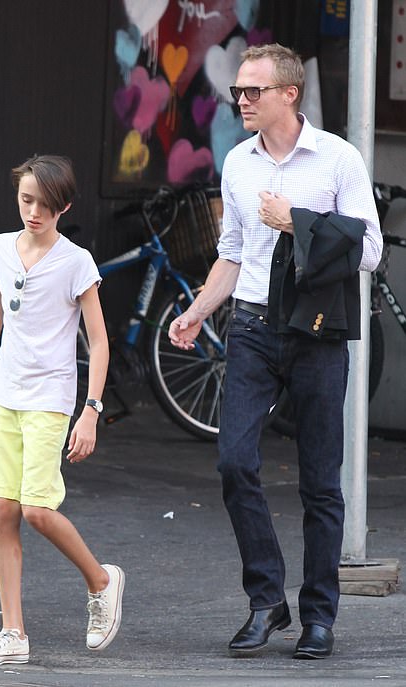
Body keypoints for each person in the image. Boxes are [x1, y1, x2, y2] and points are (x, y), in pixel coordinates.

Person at [169, 44, 383, 660]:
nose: (241, 100)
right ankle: (267, 599)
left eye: (253, 91)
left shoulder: (338, 159)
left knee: (321, 481)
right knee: (234, 462)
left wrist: (300, 221)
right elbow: (232, 253)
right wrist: (196, 310)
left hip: (315, 331)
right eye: (238, 91)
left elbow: (368, 252)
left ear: (289, 94)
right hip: (254, 327)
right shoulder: (237, 163)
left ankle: (319, 615)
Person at [0, 154, 125, 666]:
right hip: (4, 394)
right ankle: (14, 635)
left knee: (37, 511)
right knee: (2, 509)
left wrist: (90, 411)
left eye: (45, 204)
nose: (34, 212)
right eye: (26, 200)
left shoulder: (76, 261)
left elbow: (100, 342)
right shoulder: (2, 247)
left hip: (50, 399)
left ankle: (102, 580)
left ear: (63, 205)